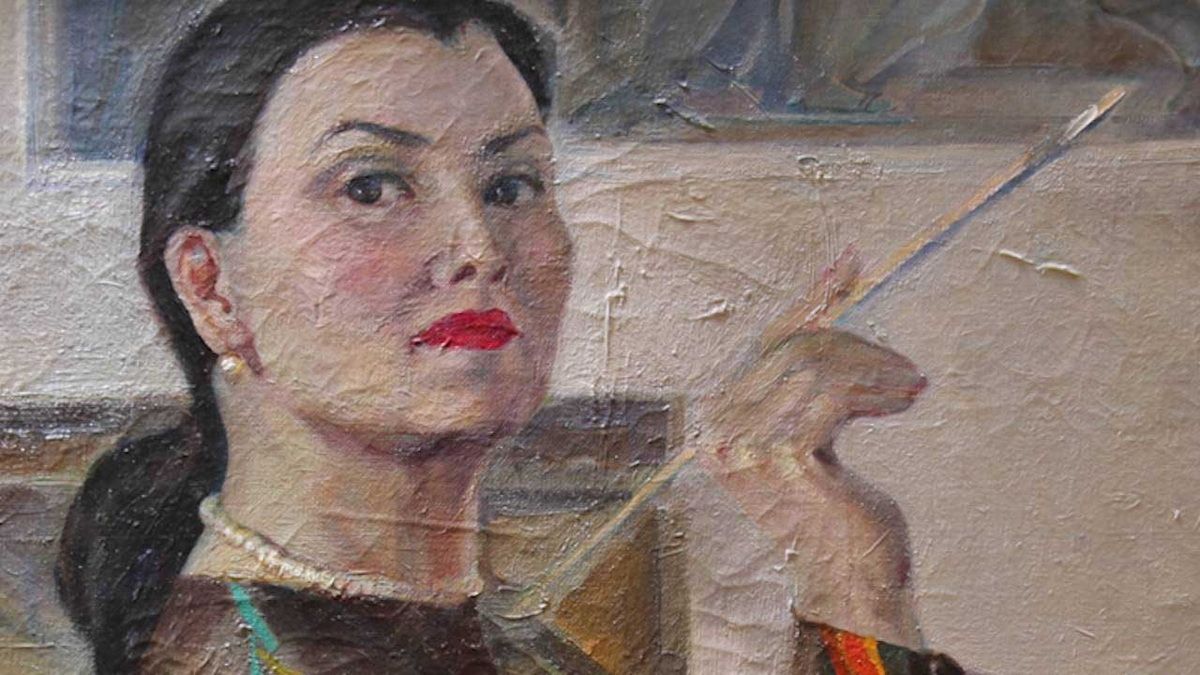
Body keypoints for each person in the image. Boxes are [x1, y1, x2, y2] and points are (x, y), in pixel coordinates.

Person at [55, 1, 963, 672]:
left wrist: (848, 567)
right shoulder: (238, 655)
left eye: (511, 186)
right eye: (371, 187)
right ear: (212, 287)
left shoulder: (512, 648)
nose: (481, 248)